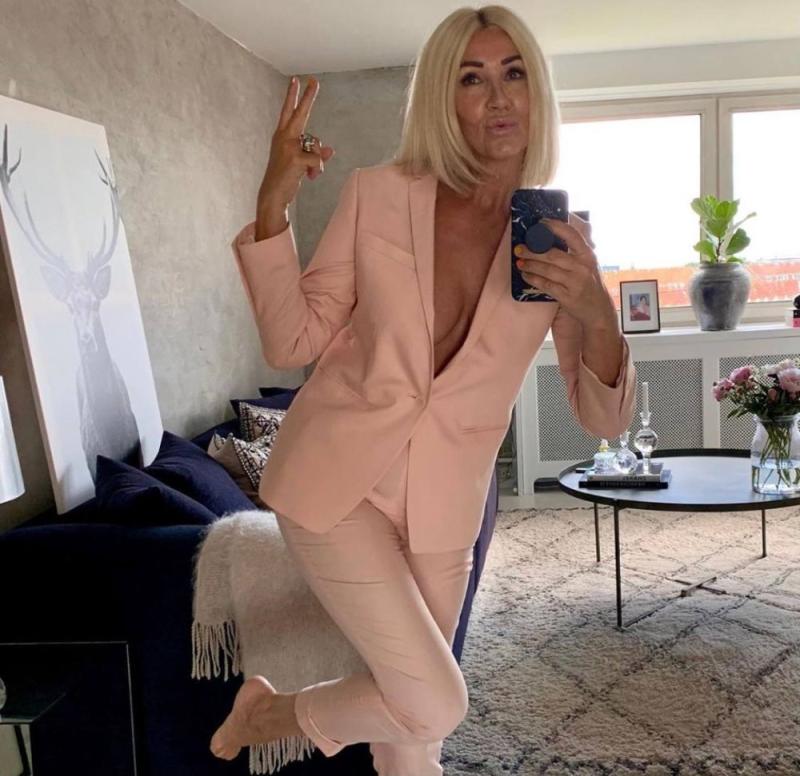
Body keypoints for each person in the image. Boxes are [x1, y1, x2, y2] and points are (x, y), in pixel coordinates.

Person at [210, 5, 637, 774]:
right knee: (437, 699)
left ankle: (270, 713)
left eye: (513, 74)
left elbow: (601, 414)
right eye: (472, 79)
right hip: (336, 483)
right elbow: (293, 340)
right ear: (446, 99)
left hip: (444, 510)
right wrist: (272, 205)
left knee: (414, 732)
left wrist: (595, 309)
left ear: (536, 91)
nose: (497, 97)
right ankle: (271, 715)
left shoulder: (558, 241)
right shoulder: (379, 195)